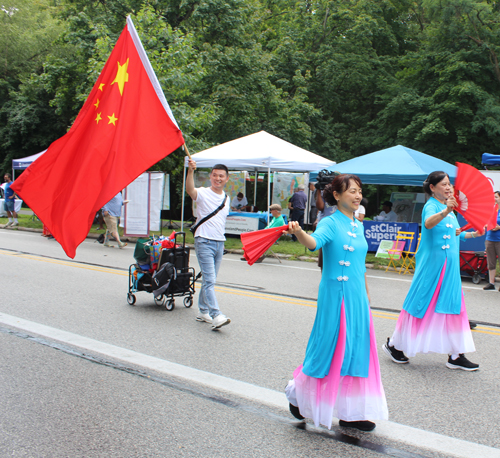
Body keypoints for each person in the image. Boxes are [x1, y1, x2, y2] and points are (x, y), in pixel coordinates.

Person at [284, 174, 388, 432]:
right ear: (337, 195)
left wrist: (366, 292)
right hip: (334, 295)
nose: (357, 195)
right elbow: (313, 243)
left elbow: (360, 265)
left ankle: (351, 412)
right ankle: (298, 394)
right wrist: (299, 233)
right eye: (351, 191)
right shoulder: (330, 222)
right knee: (327, 349)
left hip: (356, 297)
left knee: (355, 351)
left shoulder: (358, 224)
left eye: (359, 191)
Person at [383, 171, 480, 371]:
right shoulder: (433, 207)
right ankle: (394, 345)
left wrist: (473, 234)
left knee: (454, 307)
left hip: (450, 269)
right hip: (432, 268)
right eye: (443, 184)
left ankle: (456, 355)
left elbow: (454, 235)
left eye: (449, 184)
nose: (448, 188)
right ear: (432, 188)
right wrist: (445, 211)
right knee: (420, 306)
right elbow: (428, 224)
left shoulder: (451, 211)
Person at [186, 159, 231, 330]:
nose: (217, 178)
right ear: (210, 177)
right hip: (204, 240)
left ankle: (203, 311)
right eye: (214, 175)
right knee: (210, 280)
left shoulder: (227, 198)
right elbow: (190, 190)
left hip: (220, 242)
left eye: (221, 176)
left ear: (227, 178)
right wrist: (191, 171)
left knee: (208, 280)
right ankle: (216, 315)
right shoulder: (203, 193)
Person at [483, 190, 500, 290]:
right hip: (490, 239)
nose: (494, 199)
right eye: (493, 197)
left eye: (496, 197)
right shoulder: (491, 210)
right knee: (491, 261)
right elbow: (485, 222)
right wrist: (488, 225)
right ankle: (491, 283)